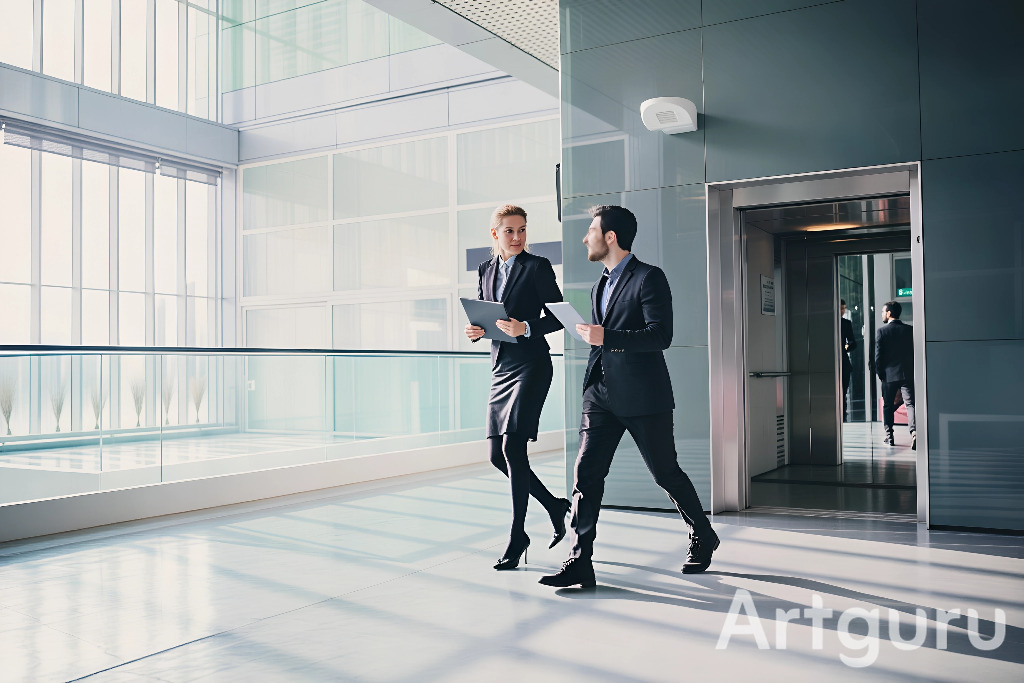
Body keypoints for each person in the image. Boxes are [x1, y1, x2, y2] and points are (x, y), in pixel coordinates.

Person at [539, 205, 719, 589]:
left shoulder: (649, 278)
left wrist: (609, 338)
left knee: (665, 472)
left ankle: (703, 534)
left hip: (643, 396)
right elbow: (599, 337)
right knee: (586, 474)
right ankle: (579, 560)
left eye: (590, 230)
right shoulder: (599, 283)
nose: (584, 237)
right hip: (600, 394)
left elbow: (660, 336)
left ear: (610, 237)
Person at [465, 204, 570, 571]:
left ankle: (517, 534)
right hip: (500, 367)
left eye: (522, 230)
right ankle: (555, 505)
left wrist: (526, 327)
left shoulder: (537, 266)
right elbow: (489, 316)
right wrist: (477, 331)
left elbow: (560, 316)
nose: (517, 237)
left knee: (513, 447)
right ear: (495, 234)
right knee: (497, 456)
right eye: (509, 231)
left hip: (531, 365)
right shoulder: (485, 269)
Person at [874, 300, 916, 450]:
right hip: (907, 374)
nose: (882, 314)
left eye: (883, 312)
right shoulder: (909, 330)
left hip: (889, 376)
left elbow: (878, 358)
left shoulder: (882, 331)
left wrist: (881, 375)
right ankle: (914, 432)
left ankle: (889, 436)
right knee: (910, 404)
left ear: (889, 313)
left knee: (888, 405)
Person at [840, 299, 858, 421]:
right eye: (841, 308)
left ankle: (842, 415)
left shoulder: (846, 323)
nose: (843, 310)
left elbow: (852, 343)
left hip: (843, 361)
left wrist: (845, 348)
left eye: (844, 308)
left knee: (843, 390)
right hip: (835, 361)